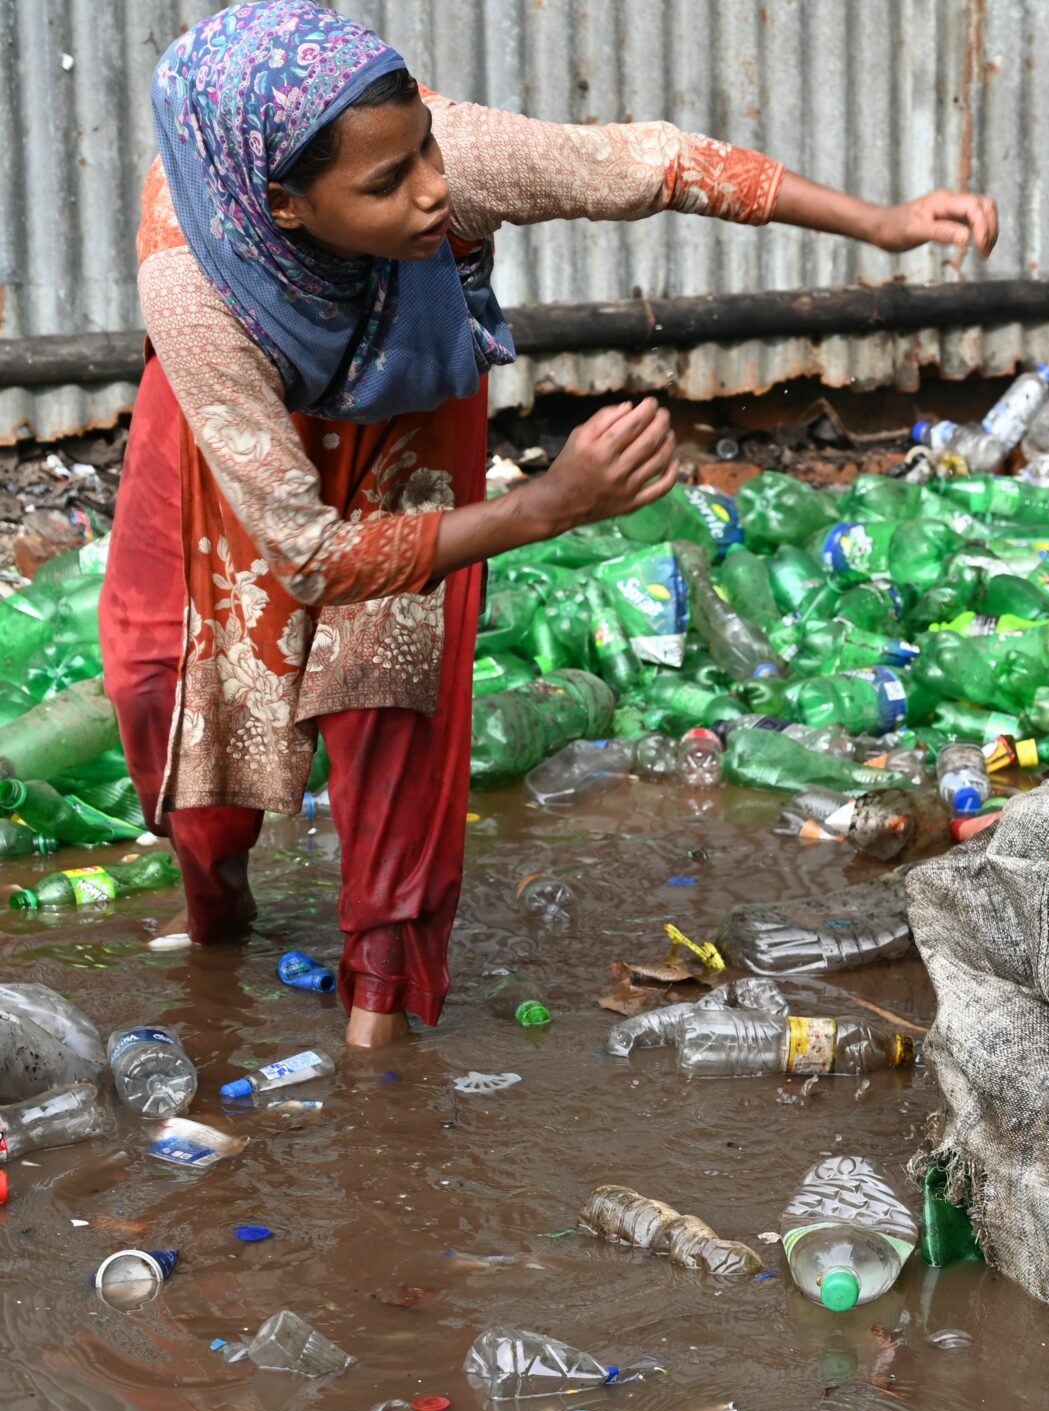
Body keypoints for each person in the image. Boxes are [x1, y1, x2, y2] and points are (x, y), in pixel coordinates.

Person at [104, 1, 996, 1050]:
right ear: (283, 208)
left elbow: (658, 164)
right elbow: (302, 556)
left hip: (405, 411)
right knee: (170, 677)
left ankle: (377, 1018)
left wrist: (883, 224)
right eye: (387, 183)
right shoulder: (194, 290)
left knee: (389, 693)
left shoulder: (452, 161)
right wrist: (547, 507)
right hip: (236, 433)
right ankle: (217, 898)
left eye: (423, 149)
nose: (431, 189)